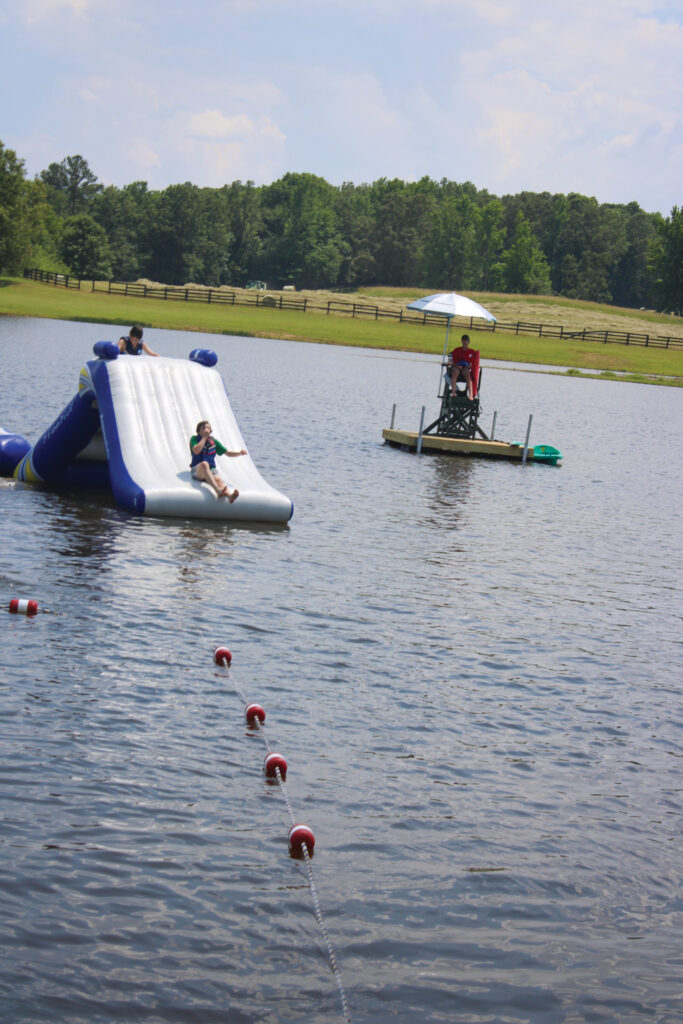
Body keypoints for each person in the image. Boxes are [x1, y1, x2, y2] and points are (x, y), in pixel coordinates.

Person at [189, 420, 246, 502]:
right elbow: (196, 451)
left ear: (210, 431)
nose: (206, 430)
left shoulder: (213, 442)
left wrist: (239, 453)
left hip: (211, 470)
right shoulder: (194, 439)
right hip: (198, 470)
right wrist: (204, 438)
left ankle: (230, 496)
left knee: (219, 480)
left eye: (208, 428)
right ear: (198, 431)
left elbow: (228, 453)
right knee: (205, 464)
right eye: (203, 428)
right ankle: (217, 490)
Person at [448, 334, 480, 400]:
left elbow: (472, 363)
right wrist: (457, 365)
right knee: (455, 372)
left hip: (466, 368)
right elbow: (450, 361)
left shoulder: (471, 351)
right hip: (457, 366)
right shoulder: (457, 350)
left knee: (468, 375)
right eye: (463, 340)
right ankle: (453, 392)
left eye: (466, 341)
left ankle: (470, 394)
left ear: (468, 342)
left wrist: (467, 367)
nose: (465, 342)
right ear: (461, 341)